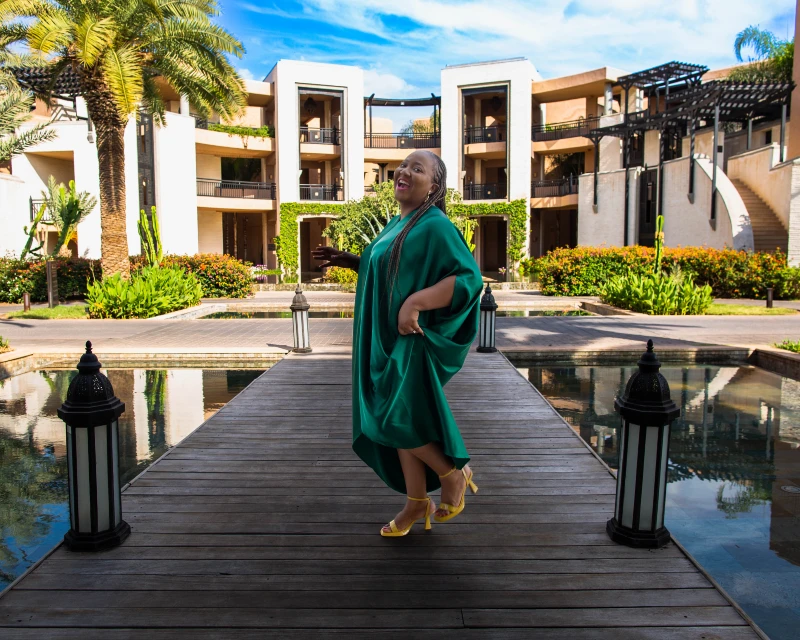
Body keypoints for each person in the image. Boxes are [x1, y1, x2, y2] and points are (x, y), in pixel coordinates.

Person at [312, 150, 483, 537]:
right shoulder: (399, 221)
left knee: (391, 417)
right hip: (384, 340)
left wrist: (416, 303)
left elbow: (470, 279)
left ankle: (452, 474)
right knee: (400, 419)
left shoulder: (436, 225)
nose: (404, 171)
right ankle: (416, 502)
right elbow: (392, 266)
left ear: (433, 187)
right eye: (403, 166)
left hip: (410, 341)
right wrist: (352, 260)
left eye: (416, 168)